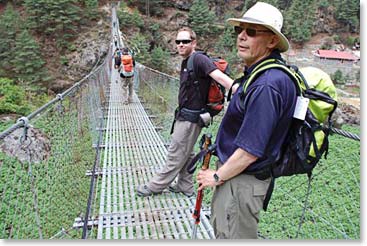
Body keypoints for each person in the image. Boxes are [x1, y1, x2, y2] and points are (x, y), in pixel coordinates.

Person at [196, 2, 297, 239]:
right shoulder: (264, 74)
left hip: (241, 182)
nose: (241, 36)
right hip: (238, 179)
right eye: (239, 30)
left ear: (272, 41)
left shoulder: (266, 85)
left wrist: (216, 176)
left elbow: (250, 150)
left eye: (251, 31)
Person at [137, 27, 235, 197]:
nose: (181, 45)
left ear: (194, 43)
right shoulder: (187, 60)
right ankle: (185, 185)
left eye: (185, 41)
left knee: (176, 153)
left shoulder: (198, 59)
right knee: (187, 152)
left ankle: (156, 186)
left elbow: (219, 77)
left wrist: (242, 91)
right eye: (178, 42)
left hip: (190, 119)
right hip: (186, 115)